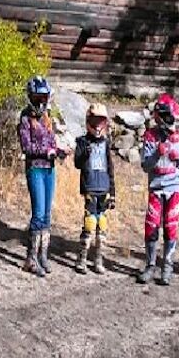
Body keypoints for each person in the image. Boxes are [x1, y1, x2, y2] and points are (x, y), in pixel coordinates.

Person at [17, 76, 65, 277]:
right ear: (31, 97)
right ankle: (30, 258)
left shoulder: (48, 117)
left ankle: (43, 254)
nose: (41, 102)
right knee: (37, 213)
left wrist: (59, 150)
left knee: (46, 213)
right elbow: (27, 146)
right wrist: (47, 151)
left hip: (49, 168)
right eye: (38, 97)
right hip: (35, 168)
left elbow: (52, 142)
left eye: (44, 97)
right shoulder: (25, 118)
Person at [138, 93, 179, 285]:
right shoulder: (150, 136)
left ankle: (167, 266)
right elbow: (145, 165)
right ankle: (150, 265)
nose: (171, 122)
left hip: (173, 188)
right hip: (156, 188)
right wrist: (157, 153)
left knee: (170, 227)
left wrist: (177, 156)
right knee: (151, 226)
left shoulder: (177, 137)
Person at [73, 103, 116, 274]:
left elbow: (110, 168)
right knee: (89, 223)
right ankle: (82, 258)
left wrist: (113, 193)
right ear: (88, 121)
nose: (97, 125)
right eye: (94, 121)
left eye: (101, 121)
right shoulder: (83, 142)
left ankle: (98, 259)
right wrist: (85, 153)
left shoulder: (106, 143)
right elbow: (77, 163)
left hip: (104, 189)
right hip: (90, 188)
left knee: (102, 224)